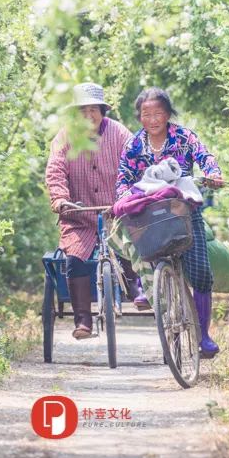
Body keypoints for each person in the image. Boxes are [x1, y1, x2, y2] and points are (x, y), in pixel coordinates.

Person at [116, 87, 224, 358]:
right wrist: (123, 198)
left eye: (158, 113)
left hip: (183, 210)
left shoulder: (184, 137)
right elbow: (123, 178)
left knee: (200, 272)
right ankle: (145, 285)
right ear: (139, 117)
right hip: (150, 215)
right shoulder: (134, 145)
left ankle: (204, 336)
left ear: (167, 114)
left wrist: (212, 173)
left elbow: (204, 156)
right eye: (146, 114)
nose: (152, 119)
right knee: (137, 244)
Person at [45, 83, 142, 339]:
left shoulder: (118, 132)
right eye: (83, 110)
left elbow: (136, 160)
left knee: (129, 244)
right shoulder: (65, 137)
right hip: (79, 214)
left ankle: (136, 288)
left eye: (94, 110)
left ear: (102, 111)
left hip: (117, 212)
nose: (89, 115)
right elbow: (55, 170)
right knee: (74, 259)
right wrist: (60, 199)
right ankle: (83, 321)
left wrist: (134, 192)